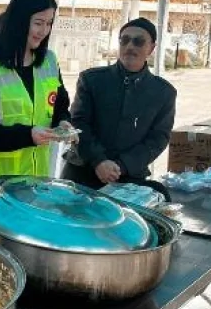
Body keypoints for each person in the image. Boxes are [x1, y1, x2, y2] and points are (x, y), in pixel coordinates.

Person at [0, 0, 73, 182]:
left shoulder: (49, 62)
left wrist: (63, 122)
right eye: (38, 23)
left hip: (37, 181)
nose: (44, 31)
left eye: (49, 23)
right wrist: (28, 136)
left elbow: (60, 106)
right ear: (20, 20)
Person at [62, 17, 176, 194]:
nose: (130, 46)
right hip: (81, 173)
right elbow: (79, 123)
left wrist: (121, 166)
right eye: (125, 40)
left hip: (129, 178)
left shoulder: (163, 92)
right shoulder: (92, 80)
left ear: (151, 48)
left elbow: (158, 138)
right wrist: (98, 161)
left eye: (138, 41)